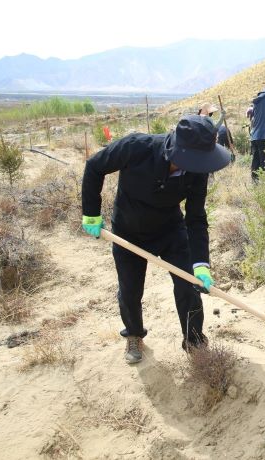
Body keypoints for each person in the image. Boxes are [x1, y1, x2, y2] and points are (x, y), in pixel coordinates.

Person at [81, 115, 231, 364]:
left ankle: (194, 341)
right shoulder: (136, 147)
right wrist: (91, 212)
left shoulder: (197, 171)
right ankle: (134, 334)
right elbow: (95, 166)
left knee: (189, 285)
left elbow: (195, 217)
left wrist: (201, 263)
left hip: (170, 230)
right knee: (130, 290)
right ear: (179, 152)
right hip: (128, 231)